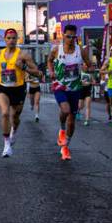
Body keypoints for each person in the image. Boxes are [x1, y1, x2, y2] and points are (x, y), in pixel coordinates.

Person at [0, 27, 42, 158]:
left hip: (18, 88)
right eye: (9, 38)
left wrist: (24, 67)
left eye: (14, 38)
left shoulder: (23, 55)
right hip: (3, 87)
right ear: (4, 39)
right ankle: (6, 144)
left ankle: (14, 131)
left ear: (17, 39)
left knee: (15, 117)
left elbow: (36, 71)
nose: (11, 40)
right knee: (4, 113)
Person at [48, 24, 92, 161]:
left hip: (75, 88)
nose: (71, 39)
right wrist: (51, 71)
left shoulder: (81, 51)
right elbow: (49, 60)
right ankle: (61, 129)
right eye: (68, 36)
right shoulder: (57, 50)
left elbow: (89, 65)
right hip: (60, 86)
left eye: (73, 36)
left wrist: (87, 67)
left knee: (72, 121)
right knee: (65, 110)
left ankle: (66, 147)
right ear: (63, 35)